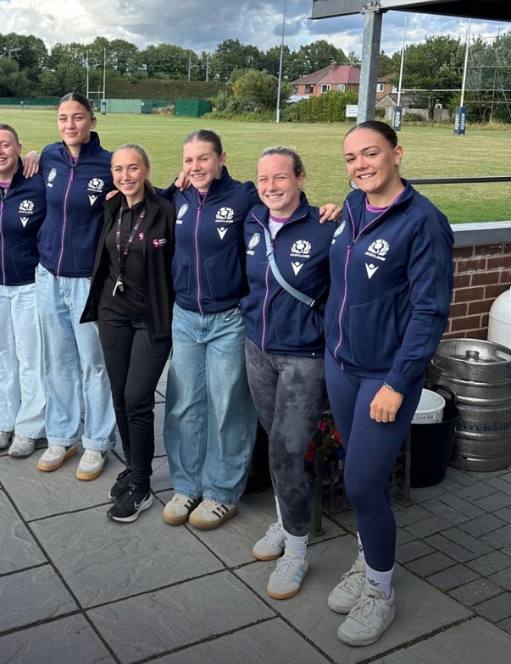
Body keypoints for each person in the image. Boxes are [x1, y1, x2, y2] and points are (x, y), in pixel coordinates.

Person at [324, 120, 453, 646]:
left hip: (385, 377)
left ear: (397, 154)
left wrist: (400, 382)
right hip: (342, 366)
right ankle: (367, 557)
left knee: (360, 484)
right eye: (352, 157)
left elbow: (429, 311)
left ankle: (381, 589)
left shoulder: (423, 221)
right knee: (364, 480)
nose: (360, 165)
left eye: (370, 154)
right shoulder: (353, 208)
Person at [241, 147, 335, 599]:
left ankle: (297, 551)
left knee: (285, 451)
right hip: (257, 348)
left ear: (300, 178)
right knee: (272, 438)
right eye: (264, 180)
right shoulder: (253, 221)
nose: (271, 187)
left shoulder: (326, 226)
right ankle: (286, 520)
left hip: (304, 357)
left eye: (280, 178)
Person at [161, 129, 261, 530]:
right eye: (189, 160)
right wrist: (173, 184)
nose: (196, 166)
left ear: (221, 159)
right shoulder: (179, 198)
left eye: (204, 158)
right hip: (185, 316)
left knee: (227, 406)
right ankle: (186, 486)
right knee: (183, 403)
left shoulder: (243, 196)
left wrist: (326, 211)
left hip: (228, 319)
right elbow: (147, 204)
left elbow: (283, 211)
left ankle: (222, 492)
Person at [82, 144, 176, 522]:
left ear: (147, 169)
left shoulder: (166, 212)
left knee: (138, 397)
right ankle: (135, 469)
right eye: (118, 169)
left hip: (151, 320)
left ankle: (141, 486)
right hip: (112, 315)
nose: (125, 176)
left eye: (133, 168)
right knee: (120, 396)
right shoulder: (111, 206)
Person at [35, 92, 116, 480]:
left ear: (92, 122)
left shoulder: (108, 163)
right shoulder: (48, 157)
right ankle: (62, 435)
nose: (70, 125)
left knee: (94, 364)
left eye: (78, 117)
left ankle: (98, 442)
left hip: (88, 279)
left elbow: (141, 195)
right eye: (64, 118)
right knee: (58, 361)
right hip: (48, 274)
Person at [0, 124, 47, 458]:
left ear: (18, 148)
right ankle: (0, 423)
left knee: (32, 356)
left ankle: (30, 428)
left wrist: (37, 155)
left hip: (30, 283)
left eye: (5, 145)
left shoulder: (38, 183)